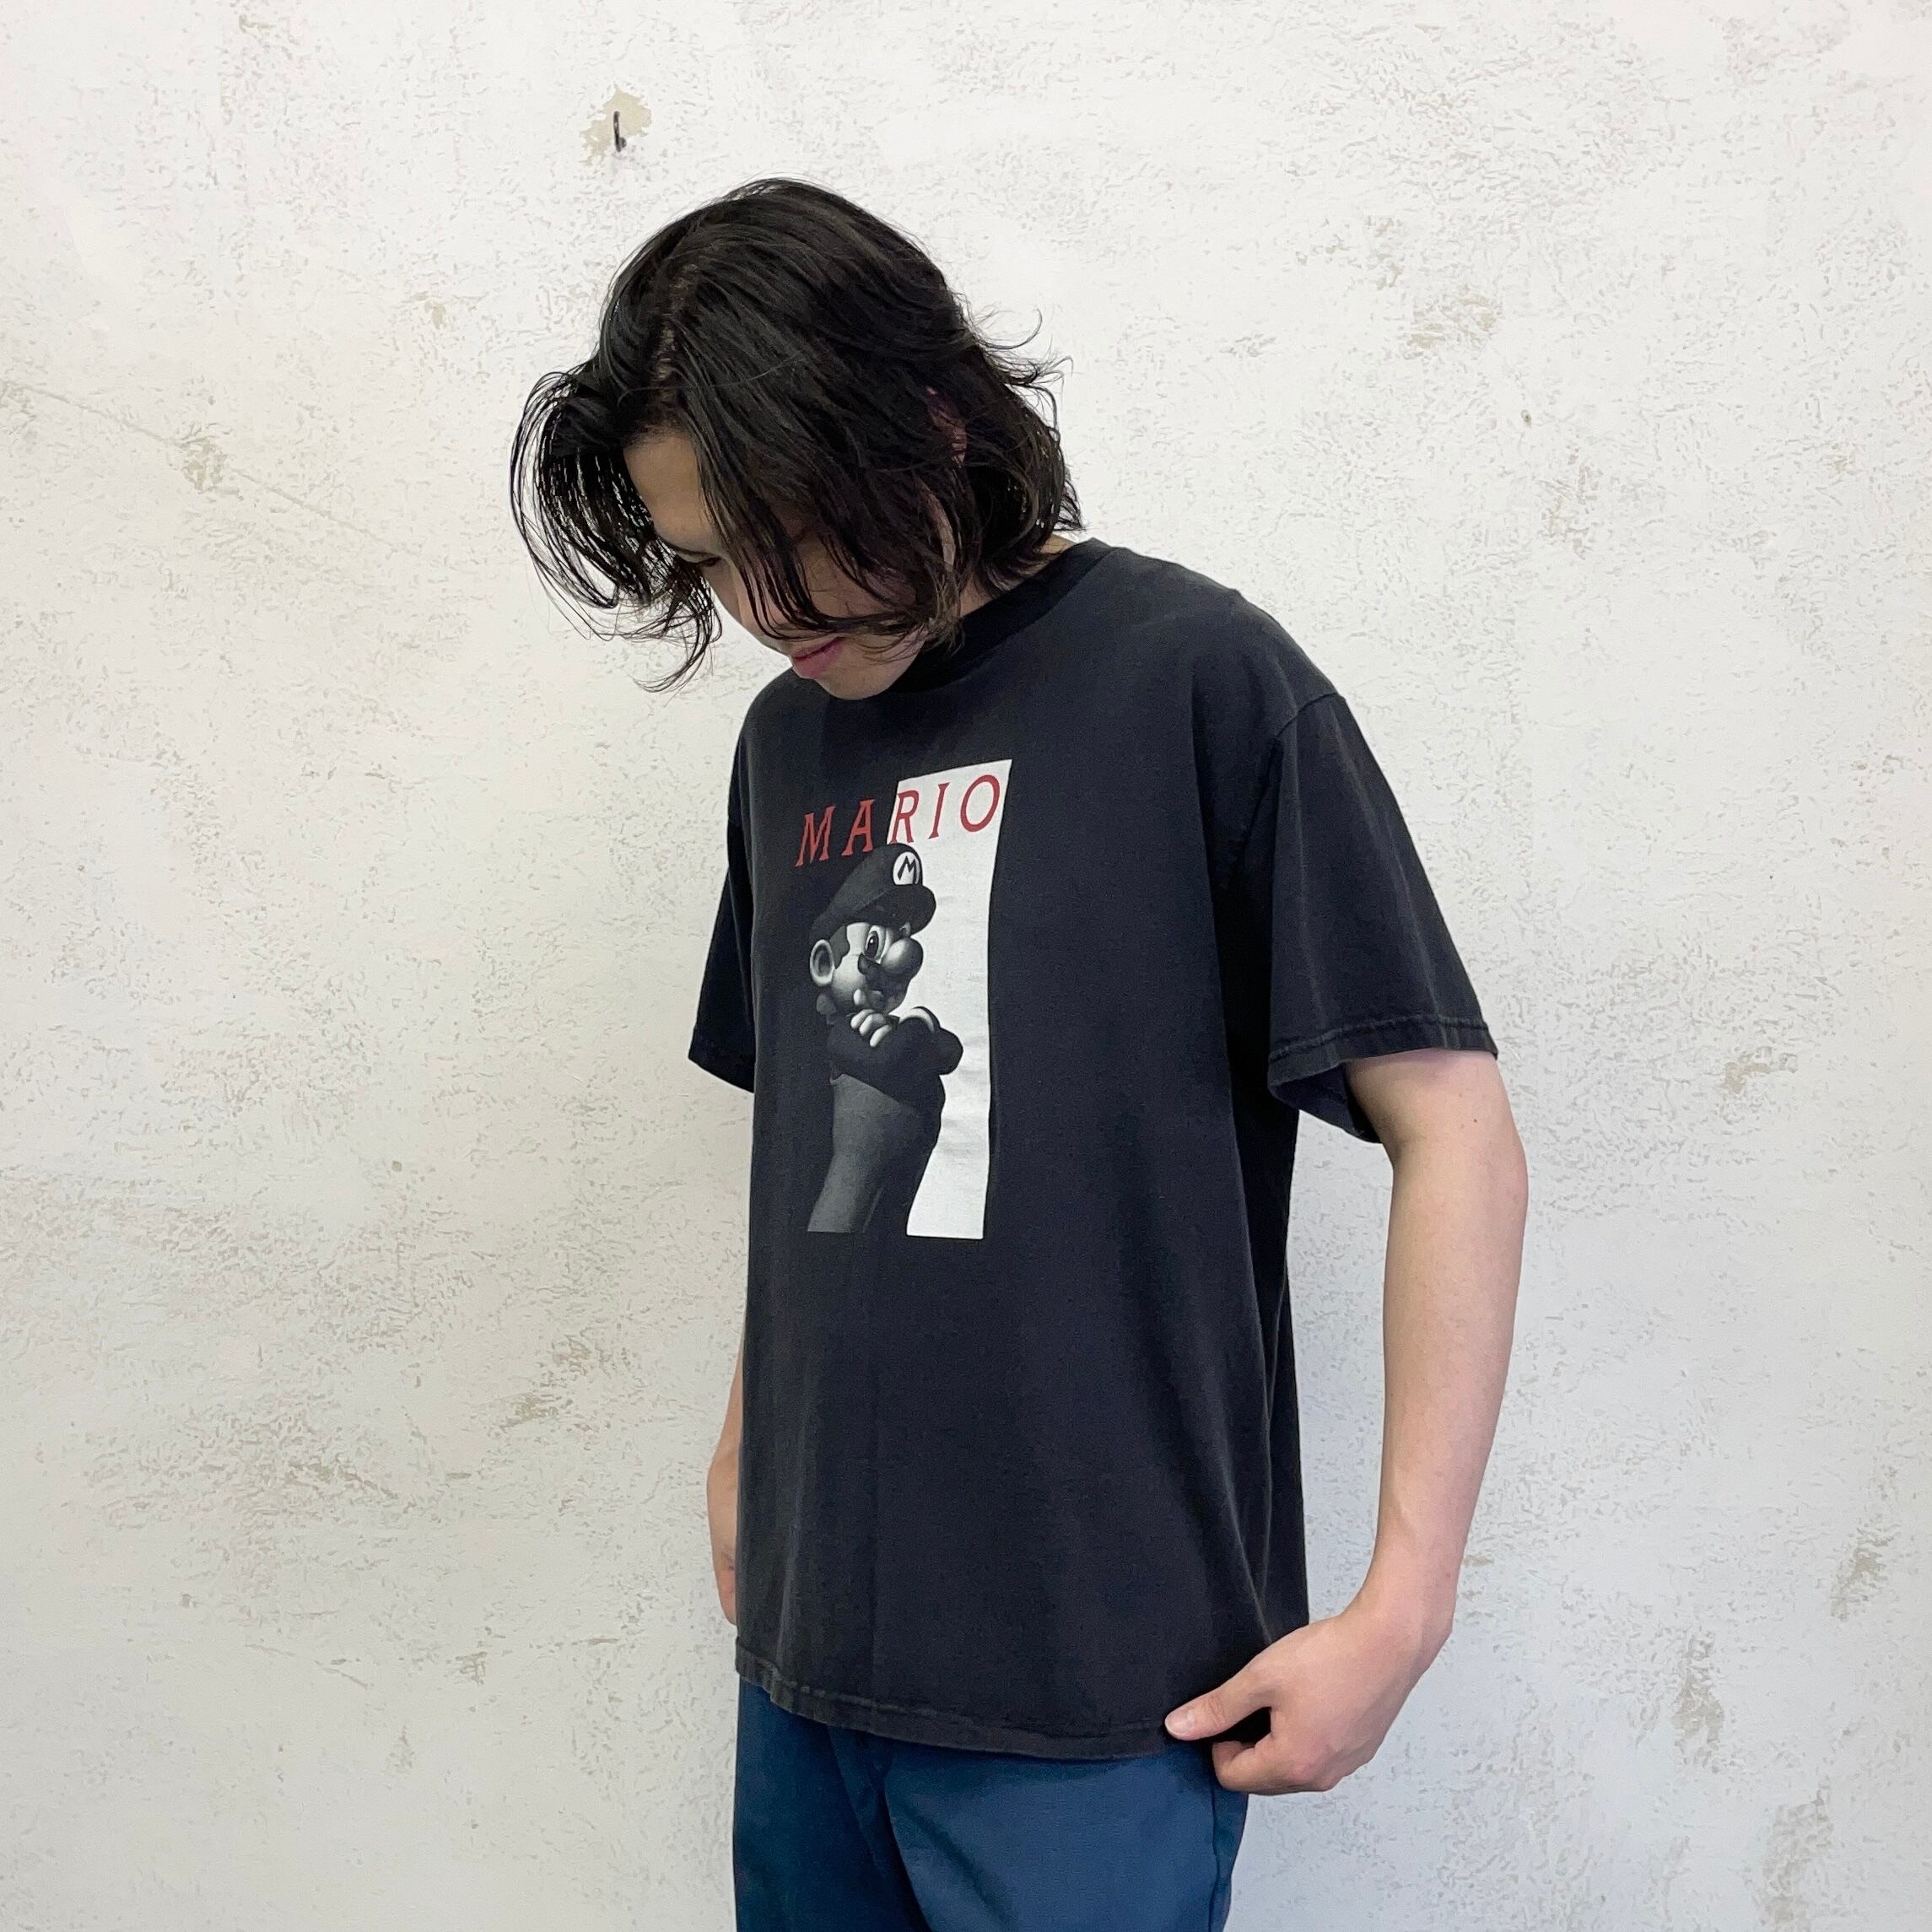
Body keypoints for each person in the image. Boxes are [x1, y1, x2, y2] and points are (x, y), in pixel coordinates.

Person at [511, 175, 1529, 1932]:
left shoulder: (1199, 679)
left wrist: (1405, 1600)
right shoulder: (783, 746)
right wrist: (747, 1445)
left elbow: (1452, 1125)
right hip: (808, 1661)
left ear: (930, 418)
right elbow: (812, 1152)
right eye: (707, 557)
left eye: (787, 528)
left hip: (1101, 1684)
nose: (761, 602)